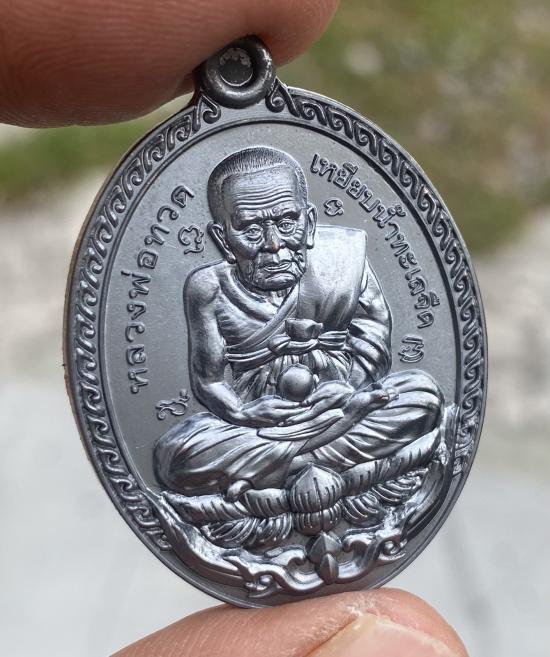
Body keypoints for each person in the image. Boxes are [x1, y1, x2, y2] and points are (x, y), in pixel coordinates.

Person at [1, 0, 468, 654]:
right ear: (223, 238)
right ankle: (308, 466)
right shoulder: (208, 288)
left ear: (308, 221)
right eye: (252, 228)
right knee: (176, 458)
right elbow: (210, 381)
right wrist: (253, 415)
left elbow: (374, 342)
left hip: (342, 408)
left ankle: (290, 474)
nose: (273, 242)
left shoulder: (341, 261)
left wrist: (342, 388)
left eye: (286, 222)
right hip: (257, 430)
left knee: (419, 396)